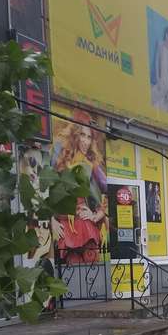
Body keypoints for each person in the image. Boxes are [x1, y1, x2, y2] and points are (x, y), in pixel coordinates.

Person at [50, 112, 107, 264]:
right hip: (64, 224)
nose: (86, 141)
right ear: (75, 135)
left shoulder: (91, 164)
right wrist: (51, 219)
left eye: (89, 137)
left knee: (90, 264)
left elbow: (108, 190)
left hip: (84, 224)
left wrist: (97, 214)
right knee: (71, 265)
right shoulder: (59, 157)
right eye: (82, 135)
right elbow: (45, 190)